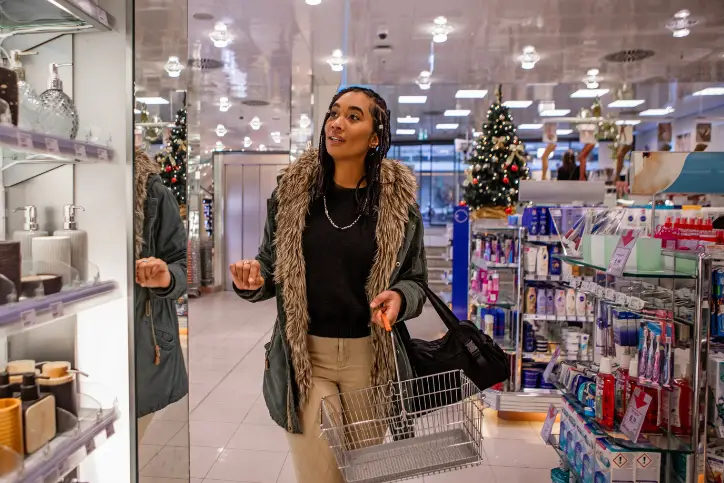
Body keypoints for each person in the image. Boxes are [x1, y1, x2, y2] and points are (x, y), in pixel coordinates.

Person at [231, 86, 428, 483]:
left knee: (361, 476)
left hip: (370, 361)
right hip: (307, 359)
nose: (337, 123)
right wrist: (253, 279)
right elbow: (270, 267)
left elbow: (416, 281)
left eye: (354, 116)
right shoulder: (292, 194)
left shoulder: (398, 206)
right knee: (319, 476)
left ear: (375, 137)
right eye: (334, 113)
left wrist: (399, 298)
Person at [133, 148, 188, 442]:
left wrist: (165, 276)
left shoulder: (151, 190)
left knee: (123, 454)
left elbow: (180, 260)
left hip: (142, 339)